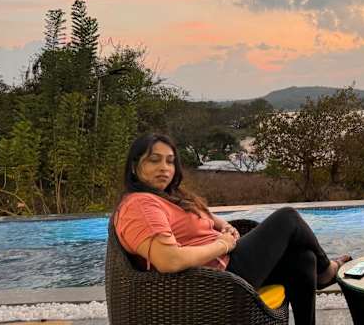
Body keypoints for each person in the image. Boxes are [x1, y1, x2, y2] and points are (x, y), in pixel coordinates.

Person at [113, 133, 351, 325]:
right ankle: (327, 270)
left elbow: (201, 216)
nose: (164, 168)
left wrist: (223, 225)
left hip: (222, 269)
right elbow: (170, 260)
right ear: (134, 167)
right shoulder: (141, 206)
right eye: (154, 160)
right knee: (287, 217)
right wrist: (223, 244)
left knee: (303, 260)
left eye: (170, 161)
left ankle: (319, 277)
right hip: (215, 282)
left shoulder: (164, 197)